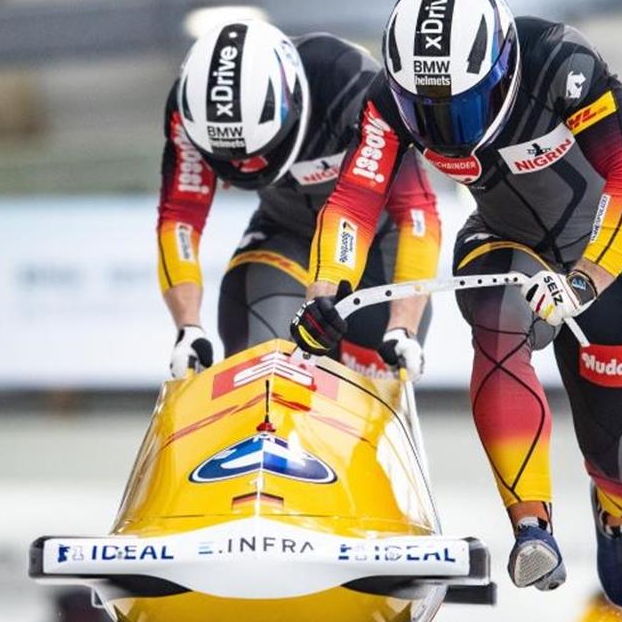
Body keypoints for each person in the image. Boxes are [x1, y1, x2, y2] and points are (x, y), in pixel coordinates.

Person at [290, 0, 622, 605]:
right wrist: (326, 290)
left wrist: (585, 278)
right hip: (501, 239)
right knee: (497, 319)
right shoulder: (389, 102)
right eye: (426, 107)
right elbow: (355, 197)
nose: (445, 125)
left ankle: (617, 513)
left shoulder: (562, 65)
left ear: (499, 64)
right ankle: (531, 528)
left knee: (614, 450)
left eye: (462, 103)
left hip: (607, 256)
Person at [157, 20, 440, 378]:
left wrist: (403, 326)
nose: (247, 166)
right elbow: (180, 215)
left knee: (374, 372)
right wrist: (188, 327)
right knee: (259, 371)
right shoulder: (186, 112)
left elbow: (417, 212)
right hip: (283, 235)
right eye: (230, 159)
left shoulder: (350, 84)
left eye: (259, 153)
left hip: (374, 242)